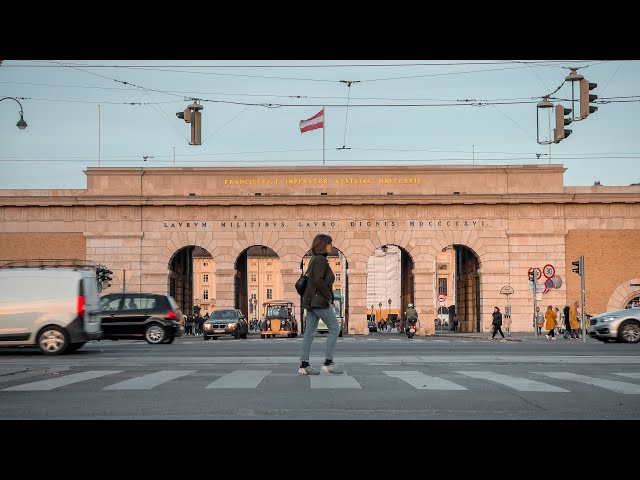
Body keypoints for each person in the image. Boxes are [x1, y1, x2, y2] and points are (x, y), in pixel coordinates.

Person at [298, 234, 343, 375]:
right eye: (330, 243)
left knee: (309, 333)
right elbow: (319, 281)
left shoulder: (314, 259)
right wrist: (330, 296)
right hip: (319, 301)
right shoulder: (320, 260)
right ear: (323, 245)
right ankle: (328, 363)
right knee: (334, 328)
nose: (331, 246)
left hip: (312, 301)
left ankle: (304, 365)